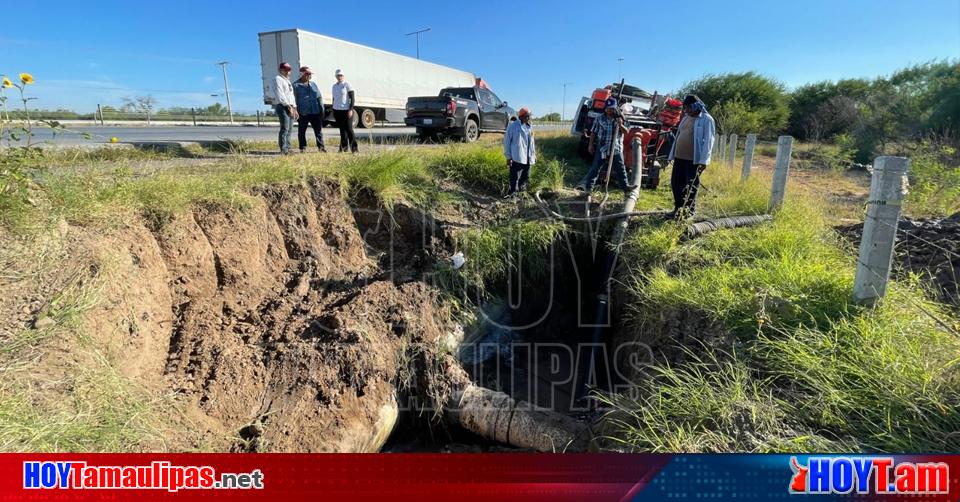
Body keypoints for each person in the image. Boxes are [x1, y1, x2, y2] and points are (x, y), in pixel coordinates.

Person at [667, 94, 716, 219]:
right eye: (685, 108)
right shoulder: (686, 117)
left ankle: (689, 212)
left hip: (693, 160)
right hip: (679, 157)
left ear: (696, 106)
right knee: (676, 184)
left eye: (689, 108)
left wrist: (704, 161)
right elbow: (679, 135)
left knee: (691, 186)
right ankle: (678, 210)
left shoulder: (706, 119)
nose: (687, 110)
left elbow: (709, 142)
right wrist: (672, 154)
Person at [576, 98, 637, 193]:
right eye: (608, 108)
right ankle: (588, 189)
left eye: (611, 108)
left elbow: (627, 131)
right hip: (602, 148)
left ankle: (626, 188)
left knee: (620, 169)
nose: (609, 110)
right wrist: (590, 145)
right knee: (595, 168)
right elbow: (593, 132)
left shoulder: (621, 118)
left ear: (615, 108)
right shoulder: (599, 118)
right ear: (605, 108)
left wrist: (620, 125)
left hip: (616, 148)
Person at [503, 107, 536, 198]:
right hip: (517, 157)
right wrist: (508, 157)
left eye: (530, 116)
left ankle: (521, 194)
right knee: (515, 178)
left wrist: (533, 155)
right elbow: (506, 142)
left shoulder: (529, 127)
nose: (529, 118)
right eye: (527, 116)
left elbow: (532, 143)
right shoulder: (513, 127)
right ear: (521, 116)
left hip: (528, 158)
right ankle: (512, 195)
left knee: (525, 177)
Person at [293, 66, 327, 153]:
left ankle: (321, 147)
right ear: (301, 74)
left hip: (315, 111)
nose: (309, 76)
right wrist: (295, 110)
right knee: (302, 131)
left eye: (310, 74)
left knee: (318, 131)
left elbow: (319, 97)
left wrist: (322, 109)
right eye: (307, 74)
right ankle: (302, 148)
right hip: (303, 112)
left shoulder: (313, 84)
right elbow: (293, 99)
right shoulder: (295, 85)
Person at [272, 62, 298, 155]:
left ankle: (288, 148)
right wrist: (288, 106)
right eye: (285, 70)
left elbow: (291, 95)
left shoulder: (287, 81)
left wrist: (295, 108)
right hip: (283, 106)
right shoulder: (278, 79)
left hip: (290, 106)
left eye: (289, 70)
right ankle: (283, 149)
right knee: (285, 128)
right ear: (280, 70)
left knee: (290, 129)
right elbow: (280, 94)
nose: (287, 72)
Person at [331, 69, 358, 153]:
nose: (340, 77)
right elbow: (334, 98)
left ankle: (354, 149)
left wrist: (350, 109)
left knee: (349, 129)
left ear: (343, 76)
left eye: (341, 75)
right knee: (342, 130)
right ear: (336, 76)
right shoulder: (334, 86)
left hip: (346, 110)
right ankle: (343, 148)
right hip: (337, 110)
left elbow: (352, 98)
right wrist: (333, 108)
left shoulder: (347, 85)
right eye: (338, 75)